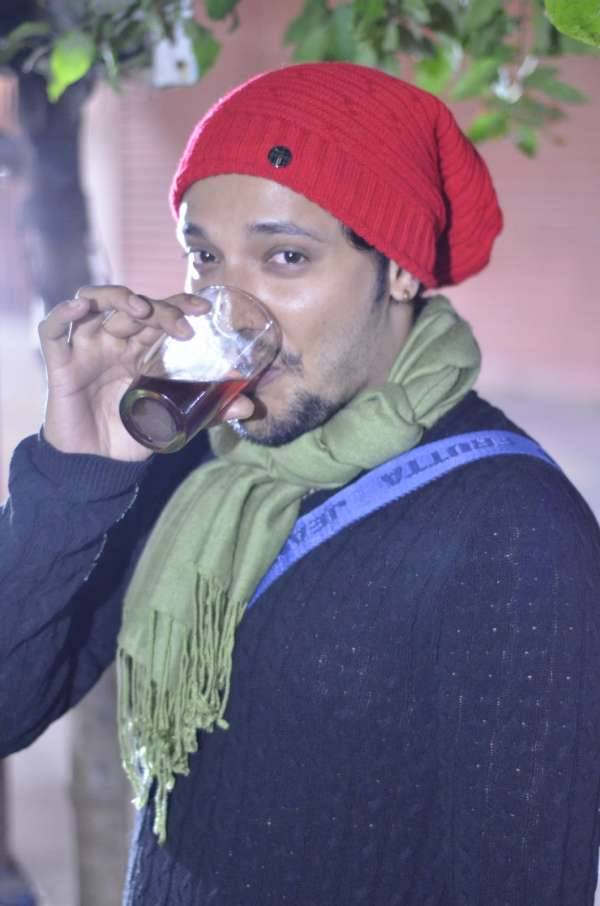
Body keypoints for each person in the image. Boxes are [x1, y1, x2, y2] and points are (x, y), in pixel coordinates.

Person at [2, 61, 600, 906]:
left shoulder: (516, 532)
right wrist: (74, 474)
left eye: (285, 257)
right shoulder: (191, 465)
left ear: (399, 270)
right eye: (205, 257)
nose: (228, 309)